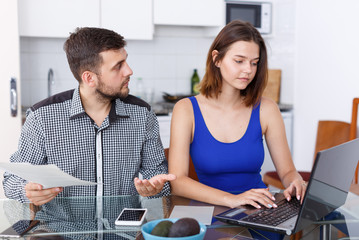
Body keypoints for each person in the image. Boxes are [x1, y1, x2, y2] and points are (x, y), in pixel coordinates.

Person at [3, 27, 175, 206]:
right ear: (89, 78)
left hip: (125, 231)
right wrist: (27, 190)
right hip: (61, 231)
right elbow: (12, 180)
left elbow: (157, 174)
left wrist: (155, 186)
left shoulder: (142, 114)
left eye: (126, 61)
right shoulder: (42, 117)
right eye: (118, 66)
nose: (129, 71)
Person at [168, 20, 306, 210]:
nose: (248, 70)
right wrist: (232, 199)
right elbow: (177, 182)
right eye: (239, 61)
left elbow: (288, 171)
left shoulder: (266, 109)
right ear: (217, 59)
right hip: (211, 210)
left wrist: (296, 181)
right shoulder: (186, 109)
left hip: (258, 210)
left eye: (254, 63)